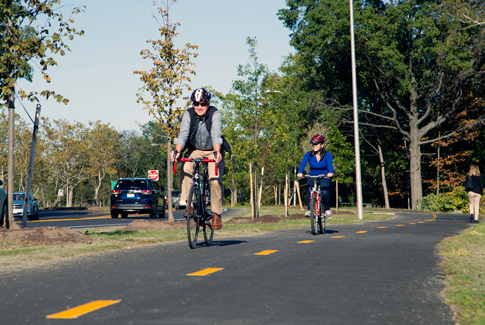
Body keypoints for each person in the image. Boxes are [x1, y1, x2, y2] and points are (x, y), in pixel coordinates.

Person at [170, 88, 225, 230]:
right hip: (195, 150)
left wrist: (217, 152)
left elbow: (215, 134)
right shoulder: (188, 114)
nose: (199, 107)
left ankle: (216, 214)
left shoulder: (215, 114)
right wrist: (177, 151)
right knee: (187, 168)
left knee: (214, 179)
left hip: (213, 149)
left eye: (203, 104)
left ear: (208, 104)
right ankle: (190, 204)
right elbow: (183, 134)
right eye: (196, 104)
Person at [297, 134, 334, 219]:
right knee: (309, 189)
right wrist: (300, 172)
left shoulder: (327, 155)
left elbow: (330, 167)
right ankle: (309, 210)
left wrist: (330, 173)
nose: (314, 146)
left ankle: (327, 209)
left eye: (316, 144)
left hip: (323, 176)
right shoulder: (308, 155)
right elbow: (303, 164)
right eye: (313, 144)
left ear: (322, 145)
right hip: (312, 175)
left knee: (324, 192)